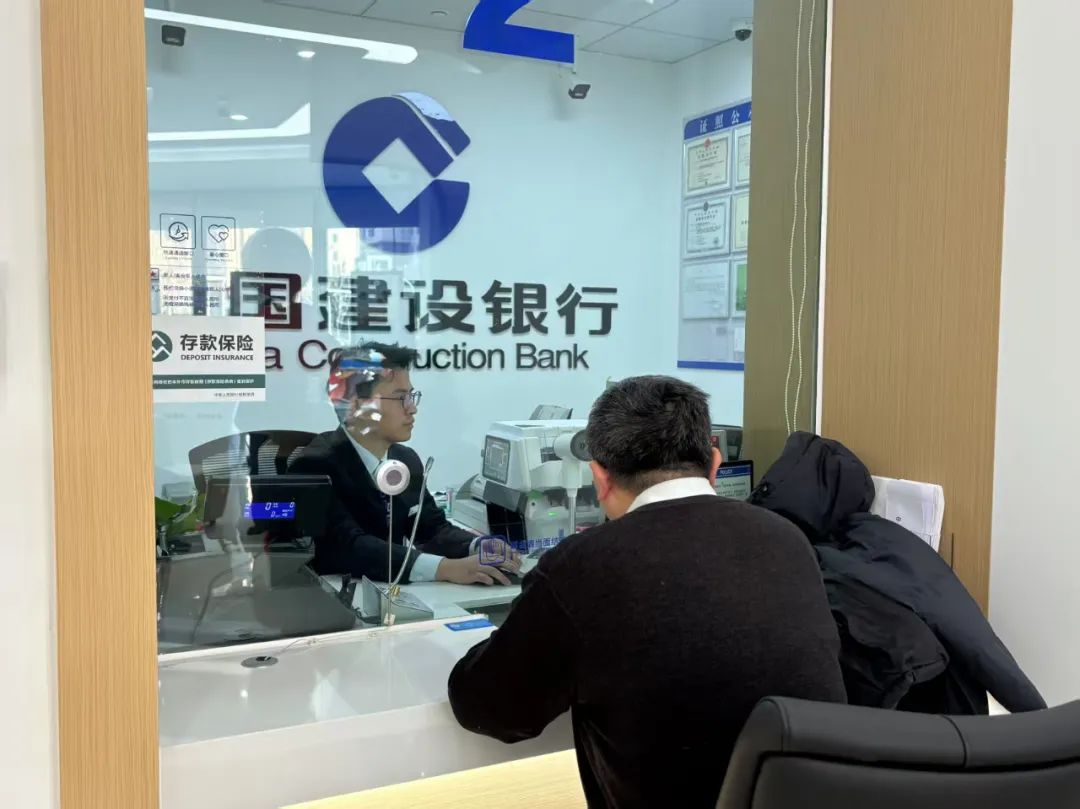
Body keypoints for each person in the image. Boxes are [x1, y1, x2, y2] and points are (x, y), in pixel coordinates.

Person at [447, 376, 846, 808]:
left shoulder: (584, 566)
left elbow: (491, 708)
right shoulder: (788, 540)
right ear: (714, 464)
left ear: (600, 478)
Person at [288, 342, 521, 585]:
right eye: (401, 398)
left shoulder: (405, 459)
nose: (412, 408)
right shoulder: (314, 466)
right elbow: (348, 546)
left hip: (393, 593)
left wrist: (478, 545)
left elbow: (432, 529)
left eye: (411, 396)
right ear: (356, 405)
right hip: (335, 597)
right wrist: (445, 568)